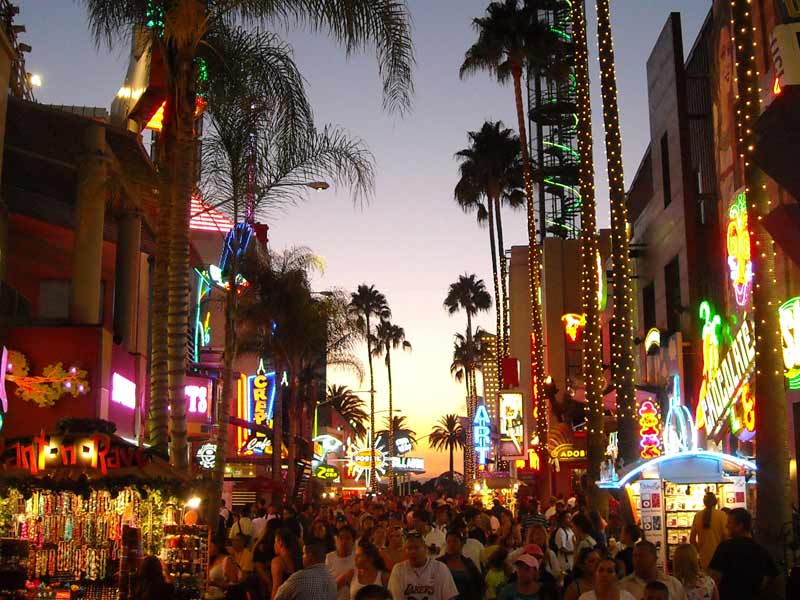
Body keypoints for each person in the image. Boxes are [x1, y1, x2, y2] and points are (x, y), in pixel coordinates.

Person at [708, 508, 778, 599]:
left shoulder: (725, 547)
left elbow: (716, 577)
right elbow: (769, 576)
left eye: (729, 523)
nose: (726, 526)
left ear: (740, 526)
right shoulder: (761, 549)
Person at [387, 532, 458, 600]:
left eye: (416, 548)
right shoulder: (398, 570)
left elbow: (450, 597)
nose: (412, 552)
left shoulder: (440, 568)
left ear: (425, 549)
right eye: (409, 548)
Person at [620, 541, 688, 600]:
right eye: (635, 556)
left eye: (642, 556)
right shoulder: (624, 586)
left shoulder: (673, 584)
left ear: (655, 558)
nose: (637, 560)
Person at [437, 530, 484, 600]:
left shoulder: (468, 563)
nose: (451, 544)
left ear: (461, 543)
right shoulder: (439, 563)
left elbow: (480, 584)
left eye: (455, 541)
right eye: (448, 542)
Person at [689, 492, 727, 569]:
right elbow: (726, 536)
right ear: (716, 502)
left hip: (704, 557)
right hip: (719, 556)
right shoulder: (722, 515)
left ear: (704, 502)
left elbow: (692, 539)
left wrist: (699, 550)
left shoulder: (698, 515)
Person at [270, 528, 303, 600]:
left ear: (280, 542)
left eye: (275, 541)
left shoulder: (278, 562)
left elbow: (276, 587)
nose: (274, 545)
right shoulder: (299, 557)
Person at [327, 524, 357, 600]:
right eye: (341, 538)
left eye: (347, 538)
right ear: (336, 540)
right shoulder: (329, 558)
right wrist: (344, 578)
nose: (344, 541)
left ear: (353, 542)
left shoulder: (358, 558)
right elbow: (324, 587)